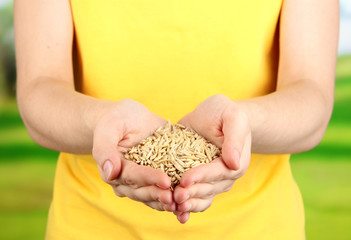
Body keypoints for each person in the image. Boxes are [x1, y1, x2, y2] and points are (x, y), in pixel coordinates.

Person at [14, 0, 339, 239]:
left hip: (259, 227)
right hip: (89, 226)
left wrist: (243, 123)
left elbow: (311, 98)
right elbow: (39, 91)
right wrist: (101, 121)